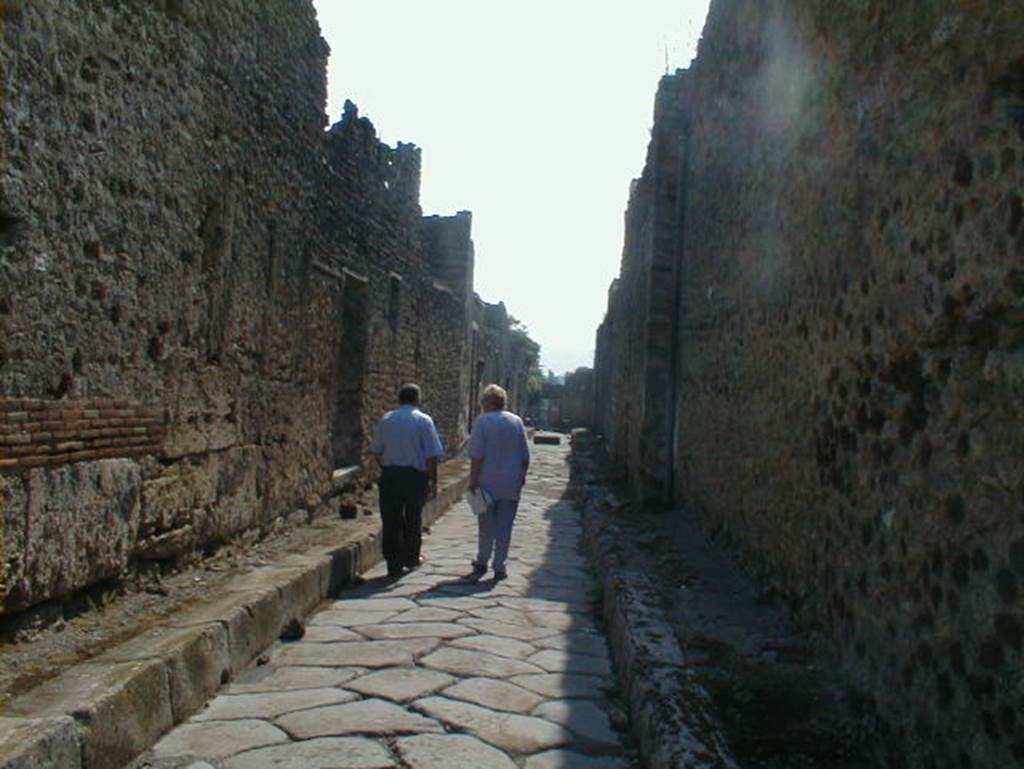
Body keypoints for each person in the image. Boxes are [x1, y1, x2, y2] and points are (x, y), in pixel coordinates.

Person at [370, 383, 445, 577]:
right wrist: (433, 481)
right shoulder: (424, 421)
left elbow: (376, 451)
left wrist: (387, 466)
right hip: (415, 477)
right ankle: (411, 558)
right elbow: (432, 455)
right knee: (413, 518)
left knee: (391, 519)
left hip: (390, 475)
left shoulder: (386, 419)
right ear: (417, 399)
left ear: (399, 398)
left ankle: (392, 562)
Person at [468, 384, 530, 581]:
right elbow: (525, 456)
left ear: (488, 401)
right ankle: (500, 565)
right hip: (511, 483)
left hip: (486, 482)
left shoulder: (482, 422)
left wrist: (473, 481)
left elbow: (477, 456)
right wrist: (521, 477)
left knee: (485, 525)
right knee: (505, 526)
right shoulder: (517, 421)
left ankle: (482, 560)